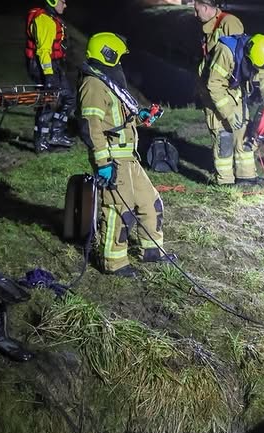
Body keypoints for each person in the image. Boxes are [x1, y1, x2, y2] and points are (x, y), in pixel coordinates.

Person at [77, 32, 169, 277]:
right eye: (117, 57)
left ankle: (153, 251)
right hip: (113, 160)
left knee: (151, 202)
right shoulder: (93, 85)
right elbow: (91, 126)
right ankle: (113, 262)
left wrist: (140, 117)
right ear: (108, 54)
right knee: (119, 211)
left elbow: (116, 118)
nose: (119, 63)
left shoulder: (109, 82)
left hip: (130, 157)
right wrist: (103, 162)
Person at [199, 26, 264, 187]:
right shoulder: (225, 52)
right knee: (224, 138)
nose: (256, 70)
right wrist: (227, 113)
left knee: (245, 136)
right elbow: (213, 85)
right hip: (214, 92)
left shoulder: (260, 54)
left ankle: (246, 177)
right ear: (247, 54)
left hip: (234, 91)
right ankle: (225, 182)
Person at [25, 0, 75, 153]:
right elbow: (43, 51)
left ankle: (56, 134)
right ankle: (41, 142)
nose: (65, 6)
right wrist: (49, 75)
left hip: (54, 65)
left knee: (69, 98)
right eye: (63, 2)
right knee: (48, 102)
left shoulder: (51, 18)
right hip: (43, 66)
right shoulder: (45, 20)